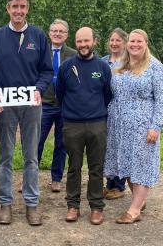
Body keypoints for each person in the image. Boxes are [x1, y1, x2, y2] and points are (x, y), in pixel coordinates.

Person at [0, 0, 53, 226]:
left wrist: (39, 89)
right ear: (7, 9)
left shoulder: (38, 36)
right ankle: (5, 204)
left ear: (28, 9)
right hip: (6, 106)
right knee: (5, 155)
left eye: (22, 7)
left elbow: (47, 70)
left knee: (31, 156)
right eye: (14, 7)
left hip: (31, 104)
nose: (18, 11)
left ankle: (31, 204)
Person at [104, 29, 163, 224]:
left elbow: (162, 99)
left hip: (143, 126)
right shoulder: (119, 64)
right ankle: (139, 201)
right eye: (132, 41)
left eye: (139, 41)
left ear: (146, 43)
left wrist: (156, 126)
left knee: (140, 165)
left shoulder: (155, 67)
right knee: (126, 164)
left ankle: (134, 211)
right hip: (118, 124)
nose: (134, 44)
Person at [56, 26, 112, 225]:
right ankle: (73, 206)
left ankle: (96, 208)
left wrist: (96, 112)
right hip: (72, 125)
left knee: (96, 168)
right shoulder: (66, 67)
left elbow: (107, 94)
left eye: (86, 41)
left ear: (94, 41)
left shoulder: (103, 67)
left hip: (97, 124)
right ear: (75, 42)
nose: (83, 45)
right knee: (74, 167)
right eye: (79, 41)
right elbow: (60, 94)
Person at [38, 19, 77, 193]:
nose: (57, 34)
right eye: (54, 31)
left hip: (65, 105)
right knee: (36, 142)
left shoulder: (73, 55)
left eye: (61, 31)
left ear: (66, 35)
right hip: (44, 104)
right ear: (49, 33)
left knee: (61, 143)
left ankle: (56, 179)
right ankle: (30, 178)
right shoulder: (41, 52)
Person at [101, 28, 128, 200]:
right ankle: (109, 183)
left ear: (124, 43)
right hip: (104, 109)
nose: (114, 43)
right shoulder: (102, 61)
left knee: (120, 146)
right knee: (107, 147)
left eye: (118, 40)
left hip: (122, 110)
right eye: (112, 40)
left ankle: (119, 185)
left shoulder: (128, 62)